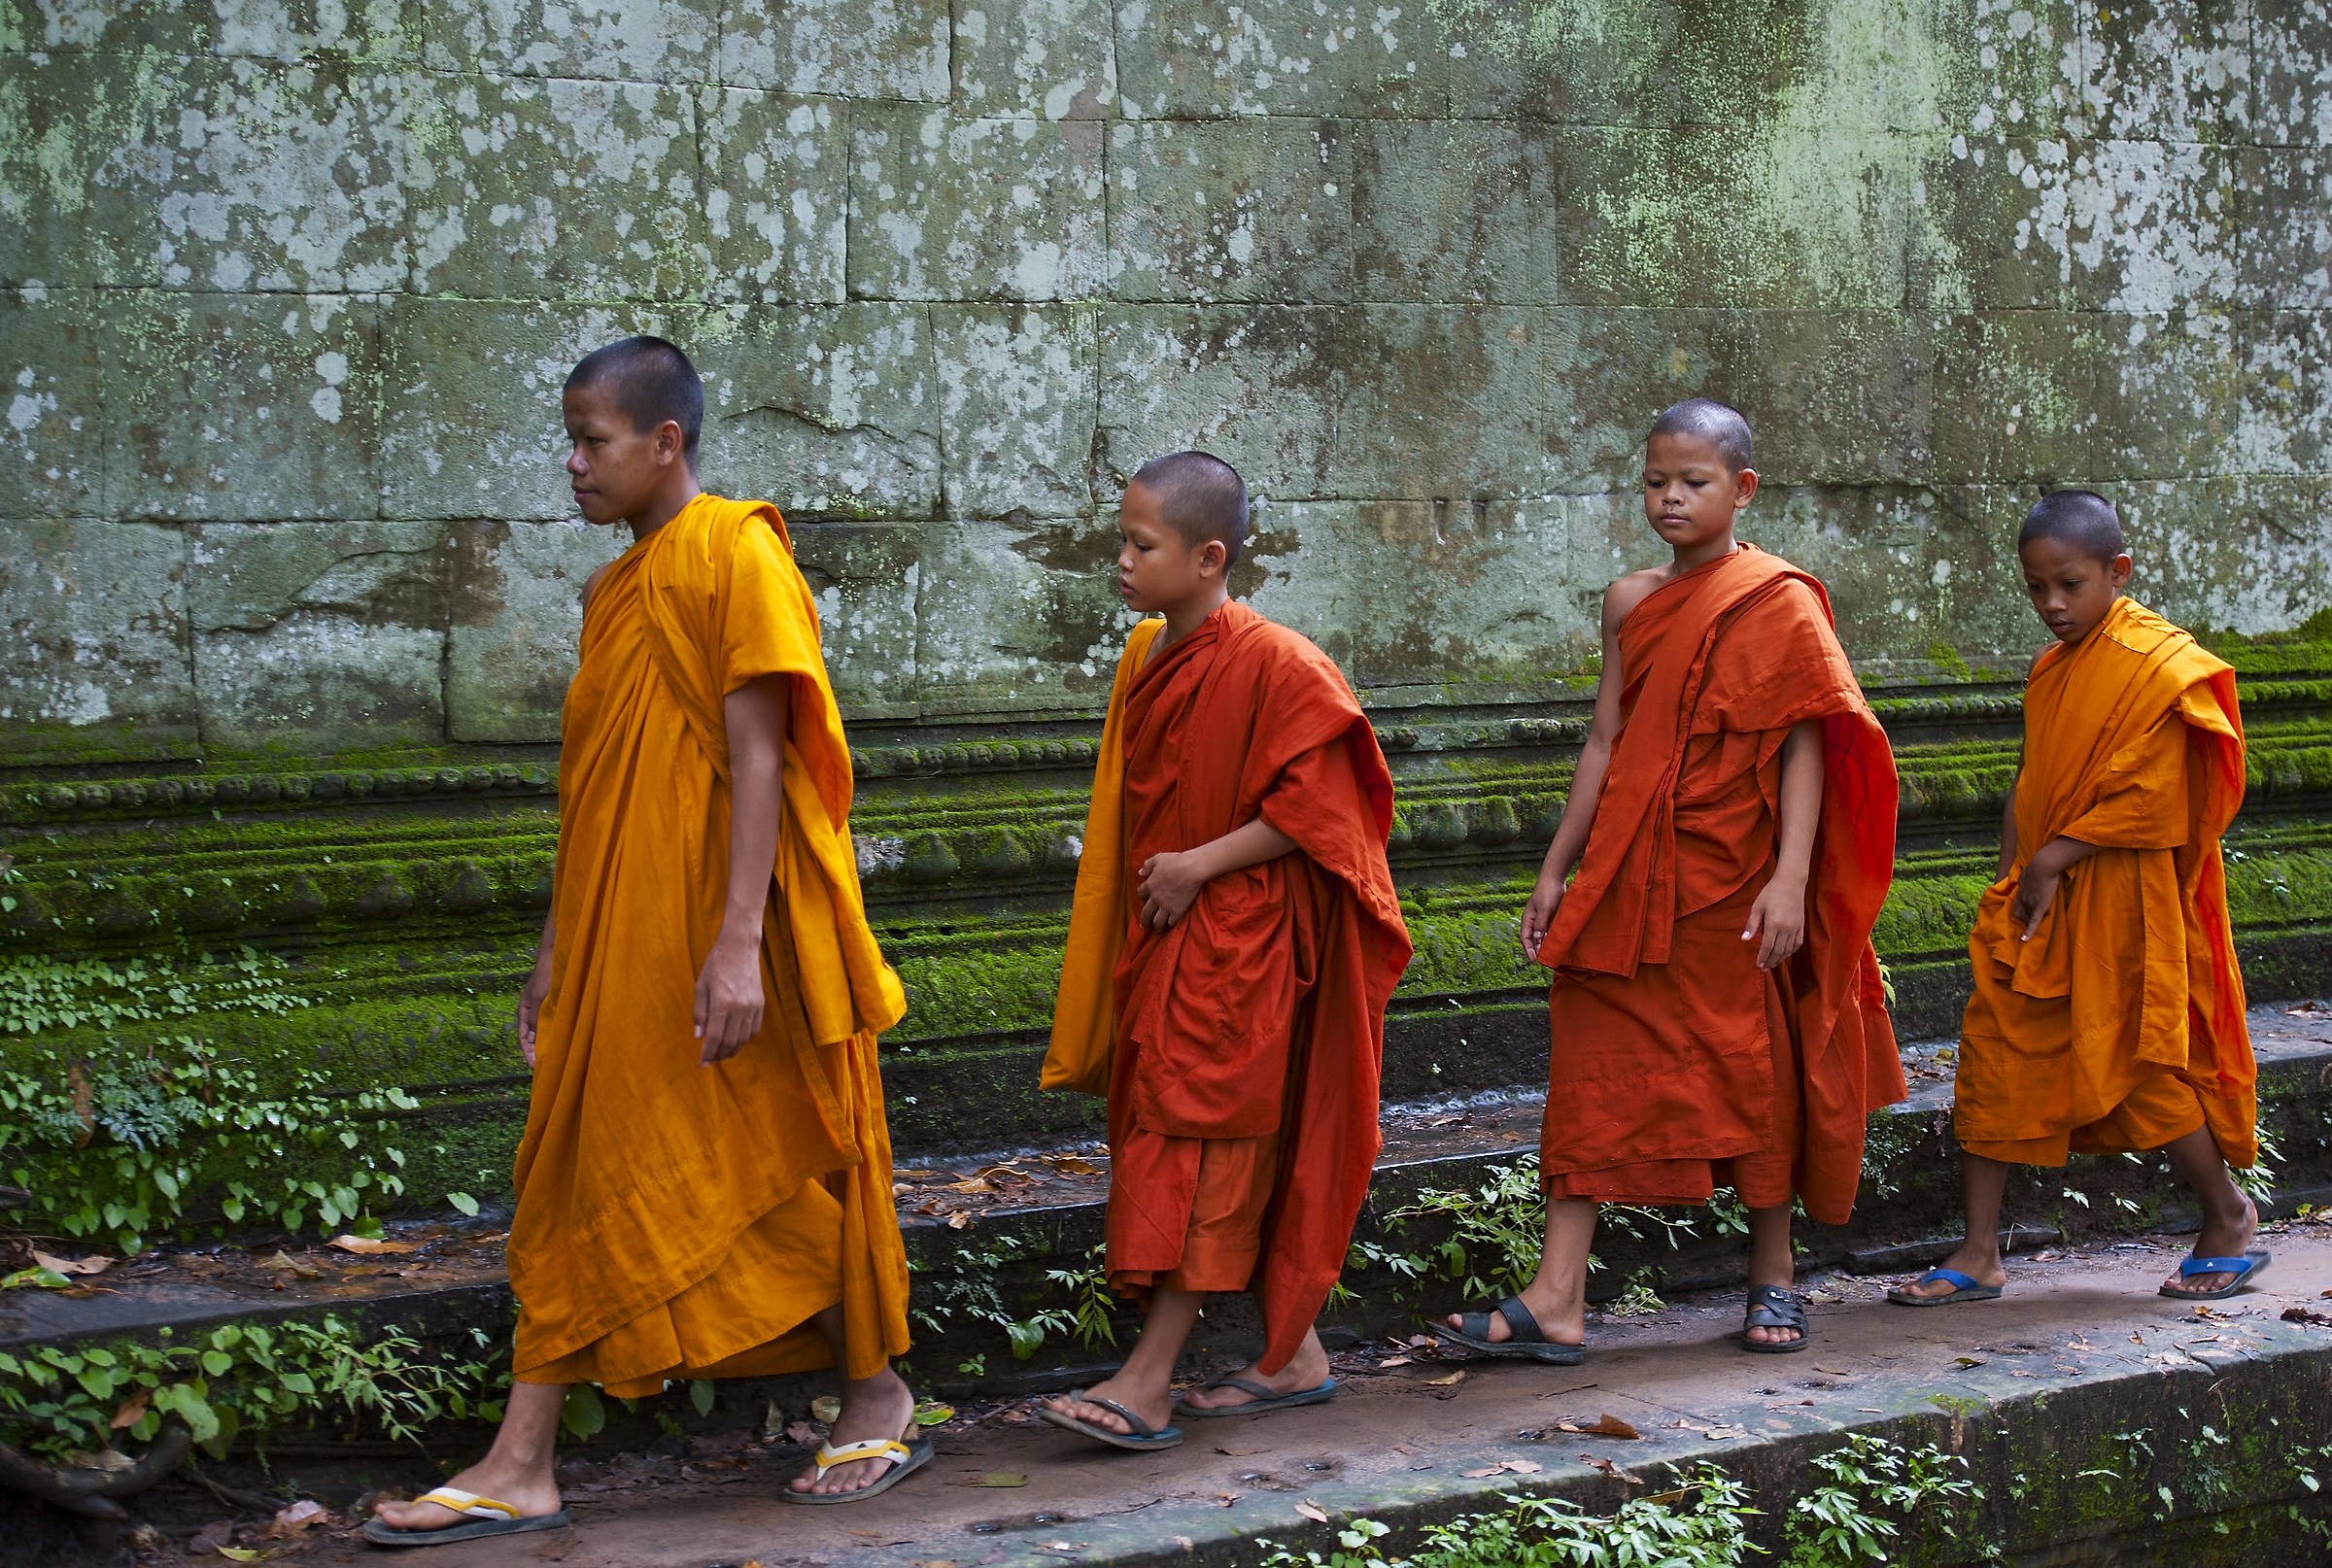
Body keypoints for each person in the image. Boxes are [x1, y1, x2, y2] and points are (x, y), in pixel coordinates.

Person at [366, 338, 920, 1547]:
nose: (572, 465)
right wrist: (554, 946)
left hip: (729, 927)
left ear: (664, 442)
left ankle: (875, 1387)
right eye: (569, 441)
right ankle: (523, 1460)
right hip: (622, 930)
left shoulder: (736, 550)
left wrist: (732, 949)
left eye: (592, 441)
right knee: (578, 1161)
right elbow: (595, 790)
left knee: (779, 1155)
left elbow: (763, 756)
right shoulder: (615, 592)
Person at [1438, 398, 1902, 1361]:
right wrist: (1555, 871)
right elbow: (1606, 738)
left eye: (1693, 483)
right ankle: (1557, 1296)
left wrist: (1789, 878)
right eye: (1656, 482)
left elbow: (1807, 742)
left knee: (1751, 1067)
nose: (1671, 499)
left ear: (1742, 489)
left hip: (1732, 875)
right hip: (1628, 871)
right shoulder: (1631, 599)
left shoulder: (1778, 599)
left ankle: (1773, 1277)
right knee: (1592, 1064)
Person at [1036, 452, 1412, 1450]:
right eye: (1121, 540)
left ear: (1208, 557)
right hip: (1171, 940)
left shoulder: (1280, 662)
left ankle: (1147, 1382)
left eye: (1141, 545)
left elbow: (1330, 811)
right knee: (1193, 1139)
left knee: (1203, 1150)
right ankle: (1294, 1357)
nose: (1121, 561)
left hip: (1239, 950)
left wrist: (1199, 865)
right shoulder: (1146, 657)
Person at [1891, 491, 2262, 1309]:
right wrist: (2013, 874)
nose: (2052, 605)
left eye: (2069, 585)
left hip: (2120, 895)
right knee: (1992, 1054)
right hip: (2038, 896)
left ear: (2116, 572)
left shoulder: (2161, 668)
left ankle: (2229, 1217)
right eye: (2036, 588)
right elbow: (2034, 780)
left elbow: (2157, 799)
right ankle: (1980, 1251)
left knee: (2134, 1064)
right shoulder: (2052, 667)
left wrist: (2054, 860)